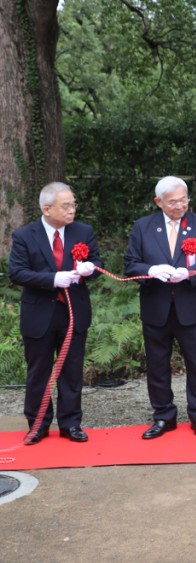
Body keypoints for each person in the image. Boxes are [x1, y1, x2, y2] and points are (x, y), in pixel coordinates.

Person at [124, 176, 196, 439]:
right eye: (173, 202)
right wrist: (151, 270)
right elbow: (130, 264)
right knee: (157, 365)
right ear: (159, 202)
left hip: (191, 305)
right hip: (156, 307)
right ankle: (163, 416)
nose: (180, 206)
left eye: (184, 200)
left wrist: (190, 272)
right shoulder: (143, 227)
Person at [9, 182, 103, 445]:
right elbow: (17, 273)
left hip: (74, 312)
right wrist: (52, 278)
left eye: (73, 204)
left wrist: (90, 269)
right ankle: (37, 424)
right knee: (39, 371)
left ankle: (71, 424)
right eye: (66, 205)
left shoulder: (83, 231)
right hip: (39, 314)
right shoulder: (25, 235)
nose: (72, 210)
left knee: (72, 371)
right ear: (47, 208)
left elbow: (98, 264)